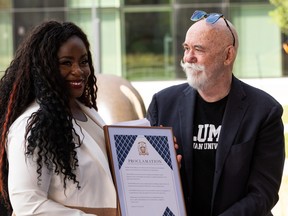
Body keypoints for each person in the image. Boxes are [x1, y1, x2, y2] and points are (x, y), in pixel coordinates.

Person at [147, 10, 285, 216]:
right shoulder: (163, 103)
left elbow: (263, 193)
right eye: (186, 48)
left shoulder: (264, 111)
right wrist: (163, 167)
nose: (188, 57)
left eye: (198, 49)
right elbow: (146, 181)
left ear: (228, 55)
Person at [0, 20, 118, 215]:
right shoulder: (32, 124)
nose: (78, 71)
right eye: (66, 63)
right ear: (44, 67)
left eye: (84, 61)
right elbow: (27, 205)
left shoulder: (87, 112)